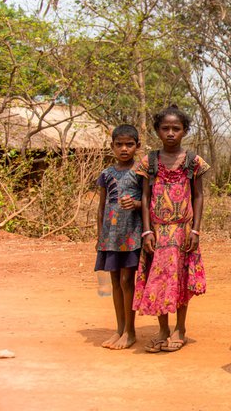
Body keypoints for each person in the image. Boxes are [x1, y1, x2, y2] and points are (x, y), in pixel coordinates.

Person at [133, 105, 210, 353]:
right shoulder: (149, 162)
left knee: (181, 280)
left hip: (183, 232)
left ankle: (180, 329)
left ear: (185, 131)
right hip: (157, 233)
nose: (170, 133)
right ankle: (163, 329)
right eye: (165, 128)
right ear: (157, 130)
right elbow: (145, 198)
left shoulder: (192, 162)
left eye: (176, 128)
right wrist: (147, 231)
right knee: (158, 281)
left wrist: (196, 230)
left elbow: (198, 196)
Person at [95, 124, 143, 350]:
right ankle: (119, 329)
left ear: (137, 146)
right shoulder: (106, 174)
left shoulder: (141, 171)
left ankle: (130, 332)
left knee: (127, 281)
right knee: (115, 281)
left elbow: (149, 203)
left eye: (129, 144)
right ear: (112, 146)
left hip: (131, 235)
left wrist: (135, 203)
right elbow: (101, 206)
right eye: (119, 145)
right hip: (110, 236)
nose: (124, 149)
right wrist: (99, 237)